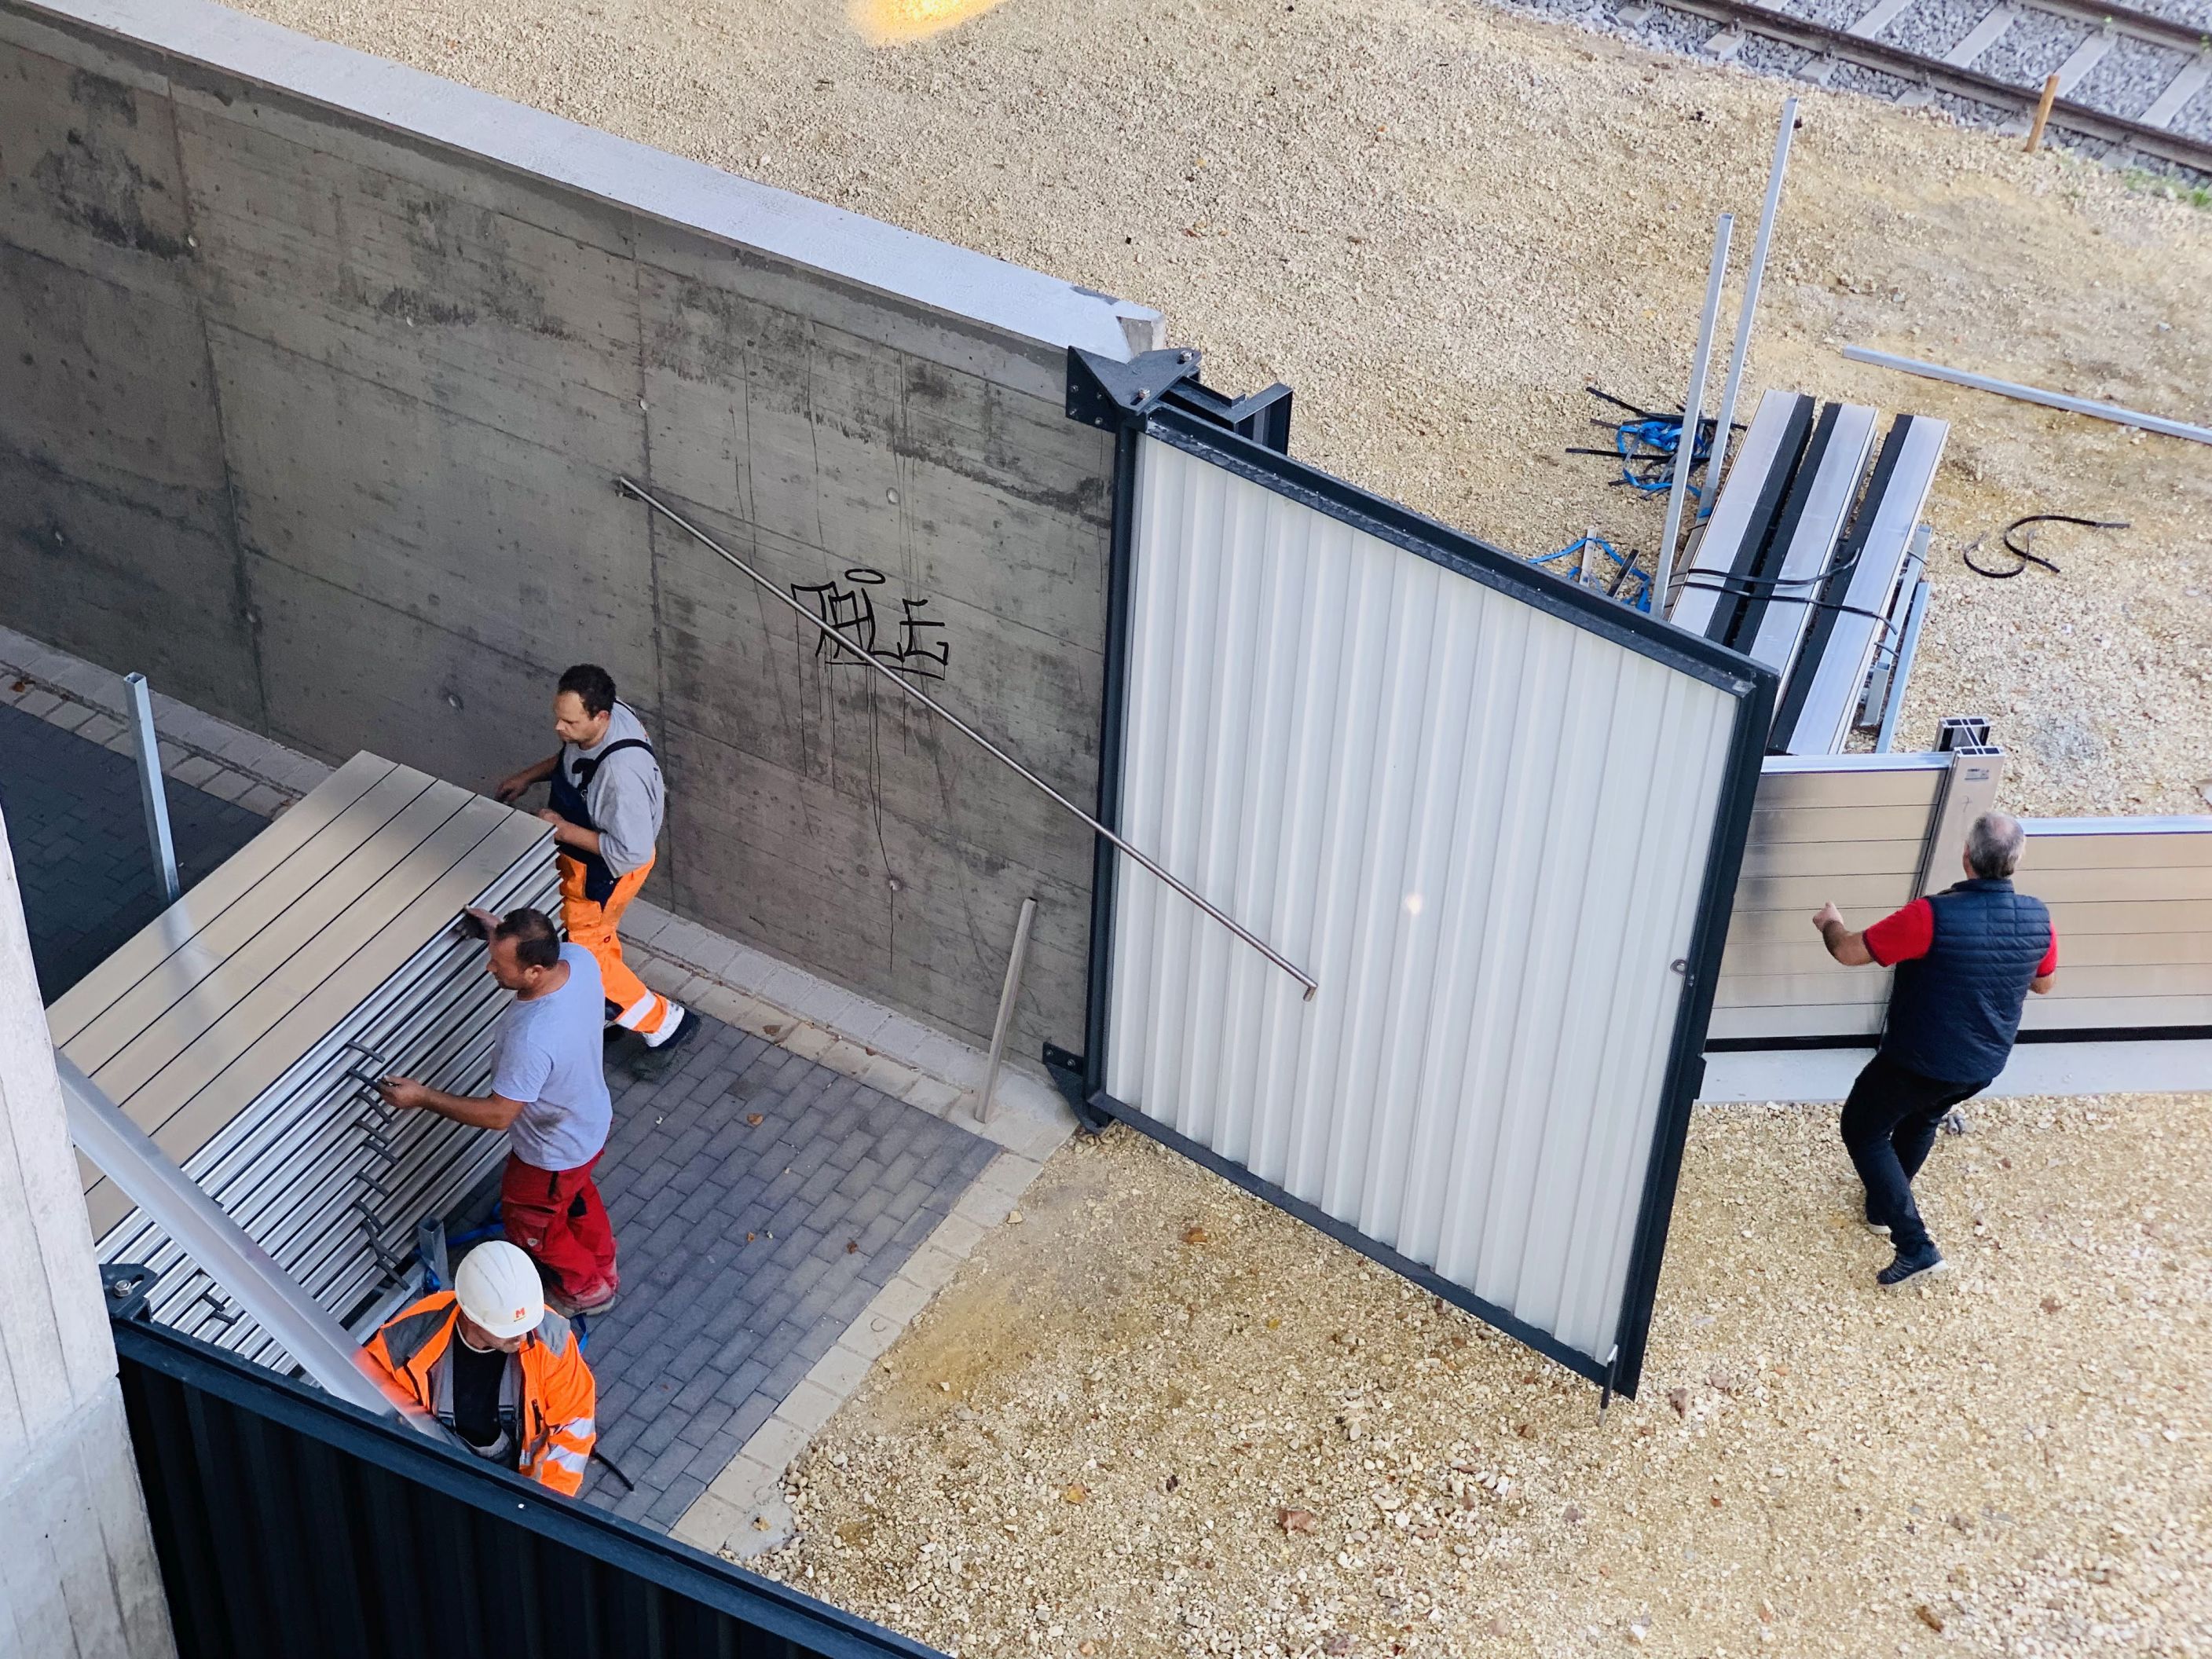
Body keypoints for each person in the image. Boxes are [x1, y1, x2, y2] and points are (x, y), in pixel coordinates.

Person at [1811, 811, 2057, 1288]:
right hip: (1982, 1064)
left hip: (1919, 1061)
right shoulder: (2038, 917)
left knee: (1862, 1129)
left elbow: (1847, 951)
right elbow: (2044, 984)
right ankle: (1882, 1208)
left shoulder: (1931, 916)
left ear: (1966, 857)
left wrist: (1831, 922)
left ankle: (1915, 1245)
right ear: (2017, 861)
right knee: (1923, 1118)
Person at [379, 908, 621, 1316]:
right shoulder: (578, 960)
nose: (491, 967)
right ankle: (603, 1263)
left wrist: (422, 1097)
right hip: (589, 1123)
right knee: (575, 1197)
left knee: (533, 1226)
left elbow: (498, 1116)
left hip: (552, 1153)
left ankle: (587, 1291)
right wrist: (499, 933)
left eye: (500, 963)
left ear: (535, 971)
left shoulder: (533, 1036)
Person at [495, 663, 698, 1060]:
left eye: (569, 721)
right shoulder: (604, 718)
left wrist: (560, 828)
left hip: (604, 872)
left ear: (600, 716)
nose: (559, 728)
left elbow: (630, 852)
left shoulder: (621, 778)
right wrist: (529, 776)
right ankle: (601, 1009)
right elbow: (571, 756)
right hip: (586, 864)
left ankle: (664, 1024)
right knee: (596, 941)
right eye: (558, 717)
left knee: (588, 957)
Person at [363, 1240, 598, 1495]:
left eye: (524, 1326)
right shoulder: (405, 1342)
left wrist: (549, 1505)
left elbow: (575, 1424)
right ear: (471, 1317)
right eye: (508, 1331)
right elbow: (367, 1400)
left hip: (522, 1476)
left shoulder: (551, 1340)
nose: (522, 1337)